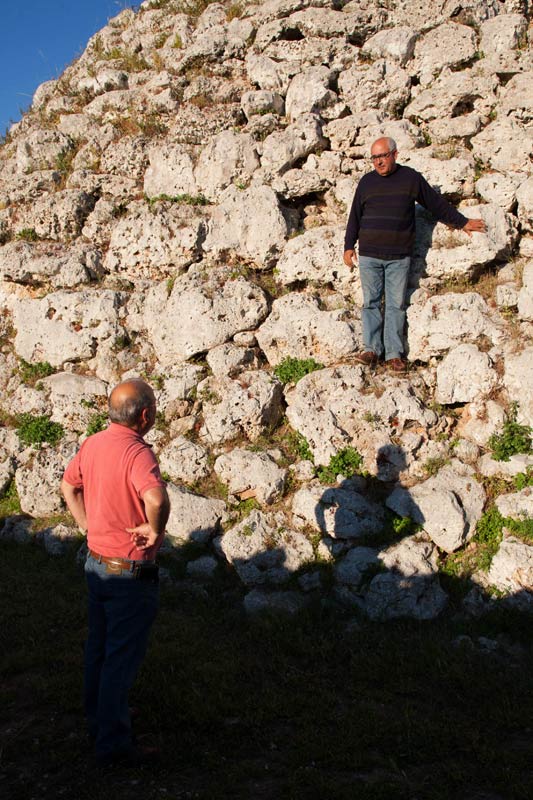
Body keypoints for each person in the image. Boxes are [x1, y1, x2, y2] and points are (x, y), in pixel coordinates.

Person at [61, 378, 170, 767]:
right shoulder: (137, 453)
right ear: (145, 415)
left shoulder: (93, 443)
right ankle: (113, 745)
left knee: (99, 648)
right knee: (121, 658)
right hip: (130, 571)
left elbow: (69, 485)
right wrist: (155, 529)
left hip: (96, 563)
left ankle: (101, 715)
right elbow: (156, 498)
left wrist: (87, 526)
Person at [343, 136, 487, 372]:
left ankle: (393, 354)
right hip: (369, 254)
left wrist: (461, 222)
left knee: (395, 305)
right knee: (370, 303)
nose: (378, 162)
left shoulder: (411, 178)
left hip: (399, 256)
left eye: (383, 156)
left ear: (395, 155)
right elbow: (355, 216)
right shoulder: (366, 182)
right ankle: (371, 350)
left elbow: (435, 204)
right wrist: (349, 245)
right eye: (375, 157)